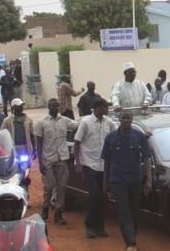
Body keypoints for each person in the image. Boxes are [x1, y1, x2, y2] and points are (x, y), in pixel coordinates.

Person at [101, 110, 152, 251]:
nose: (125, 120)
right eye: (123, 118)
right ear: (119, 119)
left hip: (135, 180)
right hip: (117, 180)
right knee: (123, 212)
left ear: (132, 119)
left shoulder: (139, 136)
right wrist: (106, 184)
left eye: (128, 118)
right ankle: (130, 243)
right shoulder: (111, 138)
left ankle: (132, 238)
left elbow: (146, 158)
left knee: (135, 211)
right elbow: (106, 162)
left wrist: (148, 180)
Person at [74, 98, 115, 239]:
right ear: (98, 108)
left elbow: (118, 135)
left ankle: (100, 228)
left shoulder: (109, 123)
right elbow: (77, 142)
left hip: (104, 166)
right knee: (93, 197)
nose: (107, 110)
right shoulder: (86, 122)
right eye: (105, 107)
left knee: (103, 198)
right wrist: (78, 162)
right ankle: (90, 227)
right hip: (90, 165)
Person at [34, 98, 78, 224]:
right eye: (53, 106)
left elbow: (78, 125)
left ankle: (58, 212)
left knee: (62, 186)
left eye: (57, 106)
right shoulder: (41, 123)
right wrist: (40, 163)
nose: (56, 108)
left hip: (62, 159)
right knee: (49, 186)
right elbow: (39, 144)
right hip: (48, 159)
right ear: (48, 107)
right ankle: (45, 208)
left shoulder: (64, 121)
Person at [1, 98, 36, 192]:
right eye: (18, 107)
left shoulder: (28, 120)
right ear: (13, 108)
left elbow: (33, 135)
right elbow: (1, 136)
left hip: (25, 149)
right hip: (12, 150)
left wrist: (34, 150)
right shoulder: (7, 121)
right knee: (13, 173)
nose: (20, 108)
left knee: (25, 173)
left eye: (21, 106)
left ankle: (25, 193)